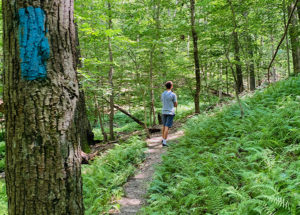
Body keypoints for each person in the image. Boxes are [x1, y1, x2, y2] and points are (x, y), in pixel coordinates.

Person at [161, 81, 178, 147]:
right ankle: (164, 142)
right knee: (167, 127)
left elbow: (162, 101)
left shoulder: (163, 94)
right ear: (171, 86)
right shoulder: (173, 94)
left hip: (164, 111)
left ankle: (163, 139)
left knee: (164, 126)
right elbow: (175, 104)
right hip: (170, 112)